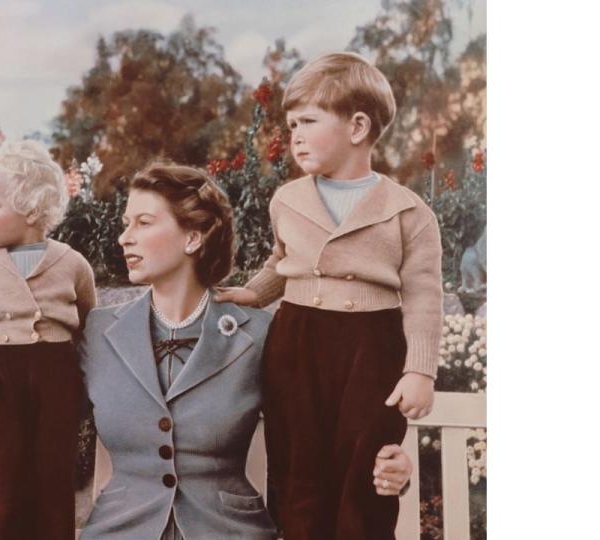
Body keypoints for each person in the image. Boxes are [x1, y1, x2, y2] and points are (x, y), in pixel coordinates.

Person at [79, 163, 413, 540]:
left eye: (143, 222)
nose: (125, 238)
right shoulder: (99, 332)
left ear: (193, 238)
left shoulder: (257, 334)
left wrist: (391, 470)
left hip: (228, 531)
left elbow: (323, 439)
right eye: (126, 224)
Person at [215, 51, 444, 540]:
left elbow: (424, 293)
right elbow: (283, 260)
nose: (293, 134)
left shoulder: (408, 212)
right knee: (298, 467)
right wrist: (255, 294)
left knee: (366, 469)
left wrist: (420, 370)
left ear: (357, 126)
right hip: (298, 341)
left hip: (372, 347)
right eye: (290, 123)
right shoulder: (288, 200)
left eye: (308, 121)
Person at [0, 140, 97, 540]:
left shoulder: (73, 264)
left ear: (29, 207)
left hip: (55, 379)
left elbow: (90, 332)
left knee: (51, 476)